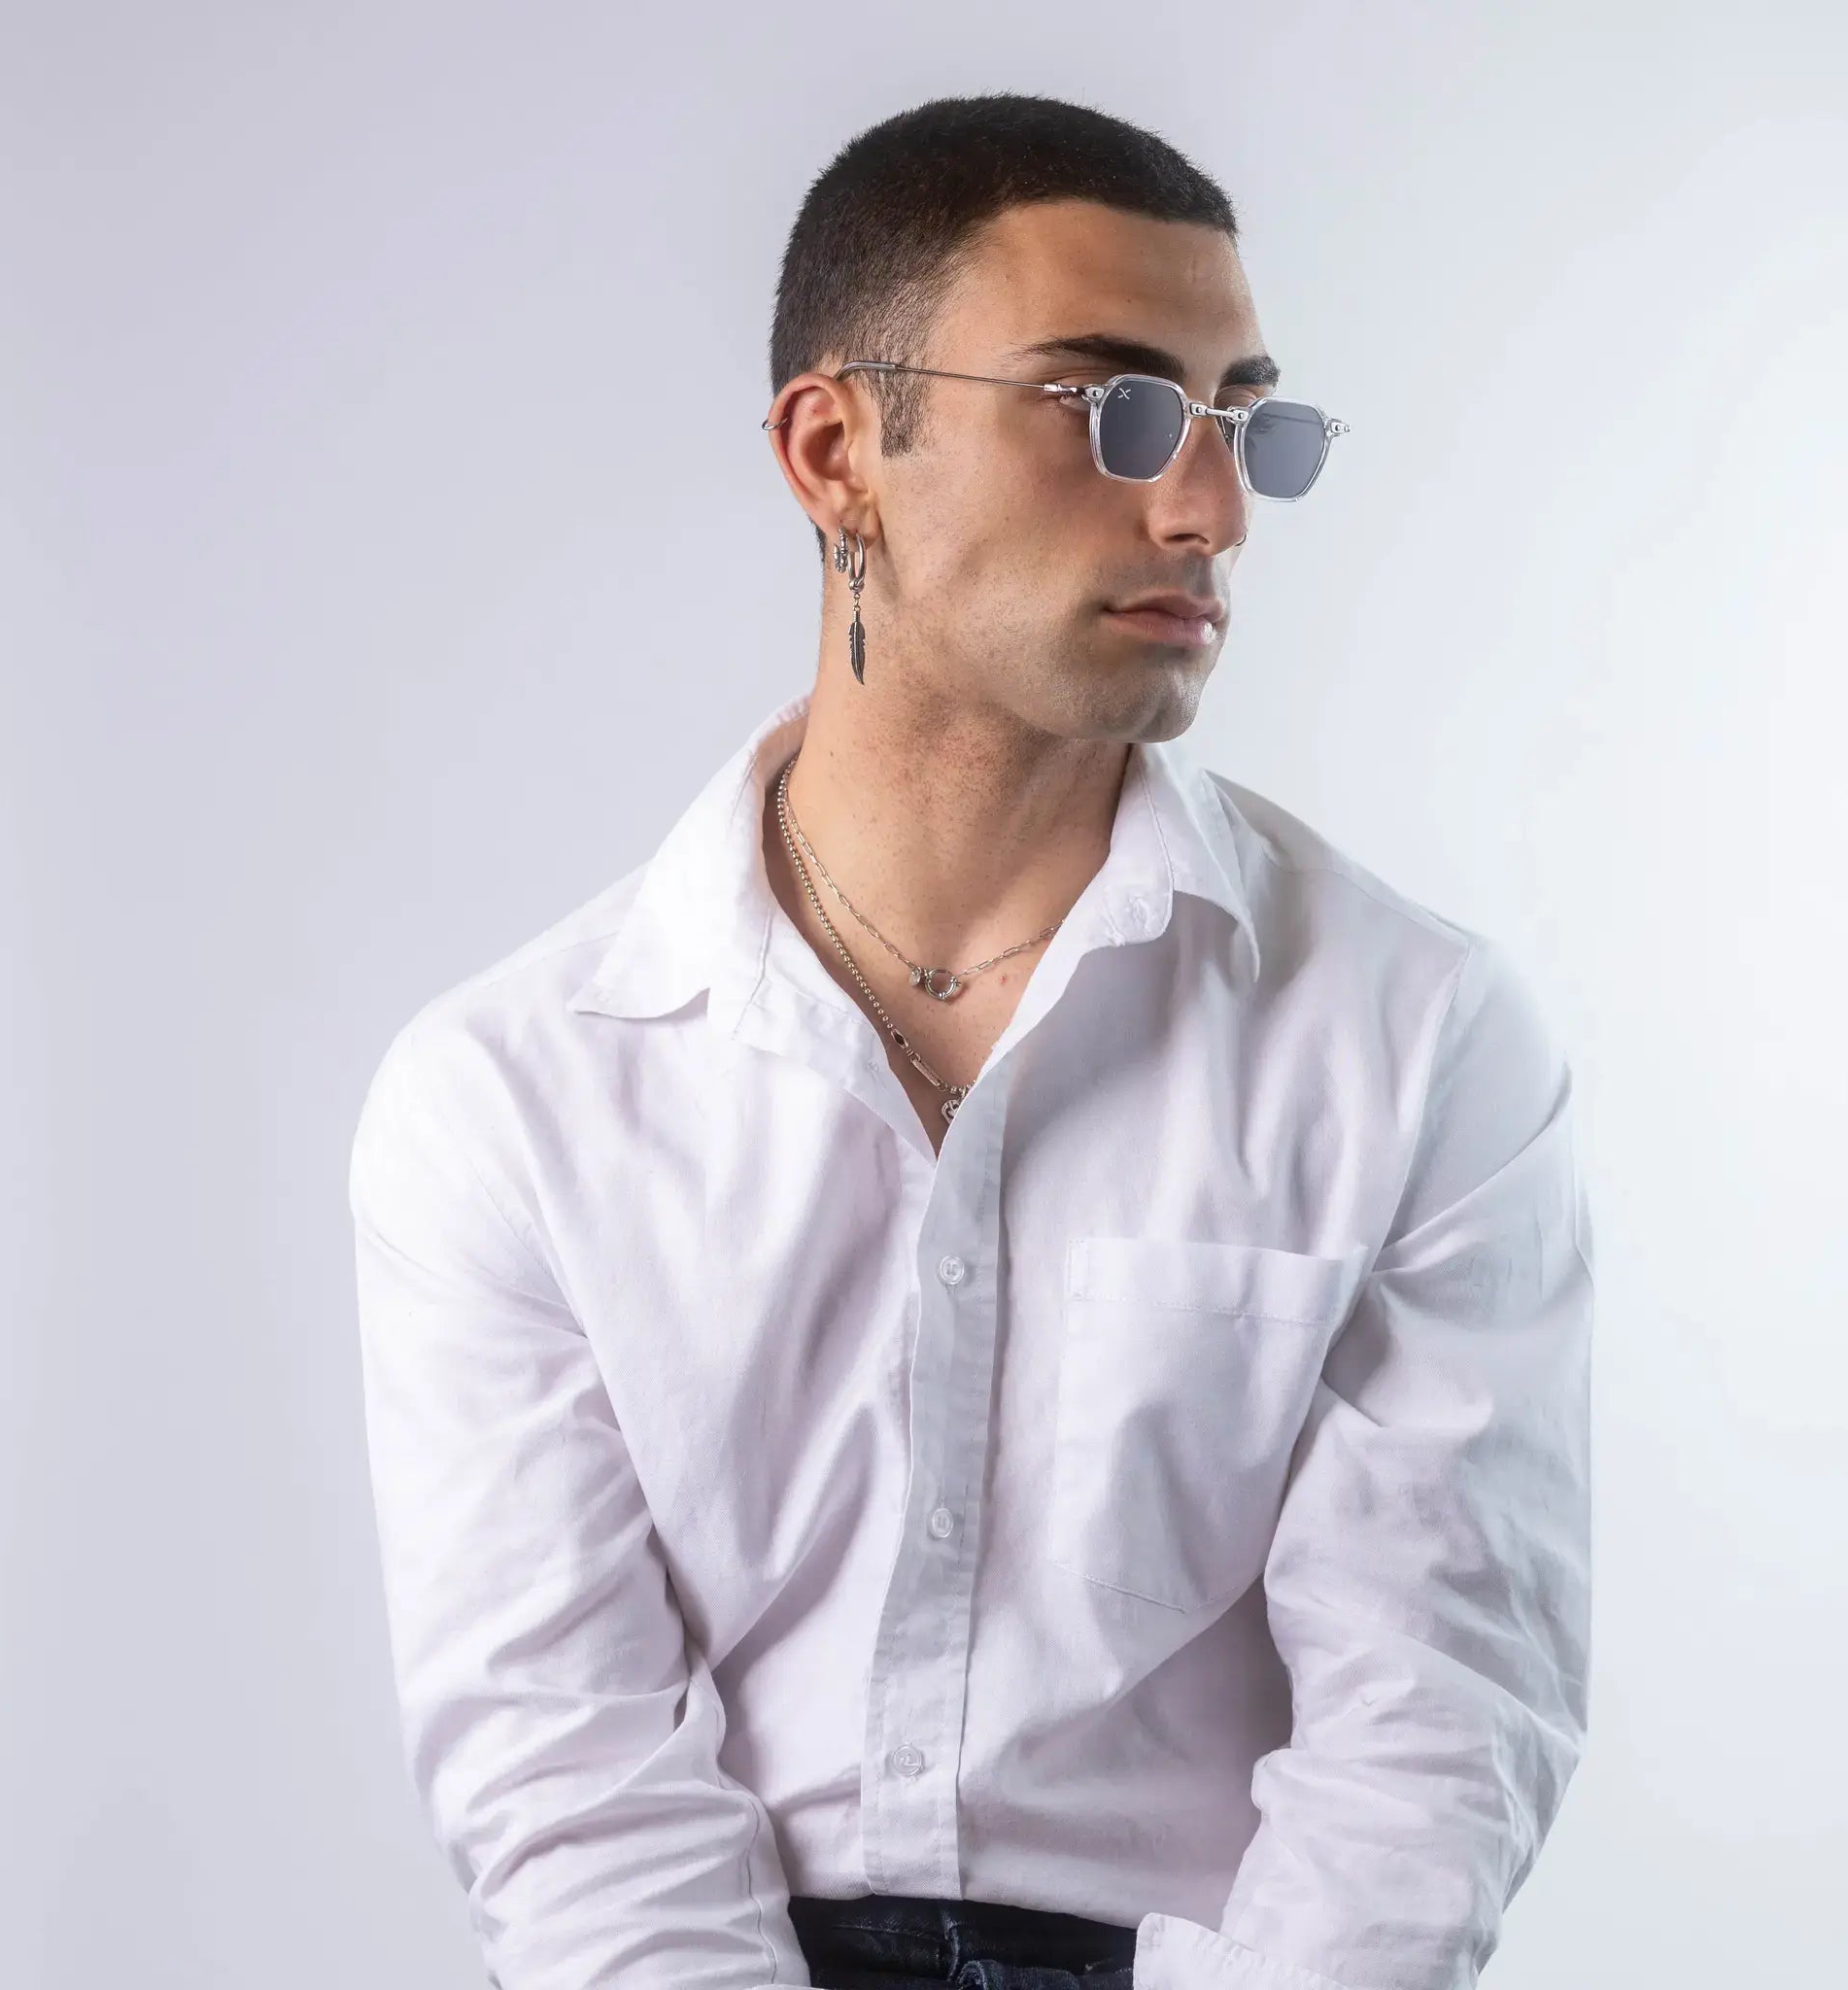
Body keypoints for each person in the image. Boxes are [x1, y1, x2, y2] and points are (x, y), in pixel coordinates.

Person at [347, 91, 1594, 1990]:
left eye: (1244, 423)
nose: (1209, 508)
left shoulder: (1412, 1038)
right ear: (838, 449)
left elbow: (1431, 1742)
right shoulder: (511, 1099)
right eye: (1113, 411)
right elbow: (567, 1785)